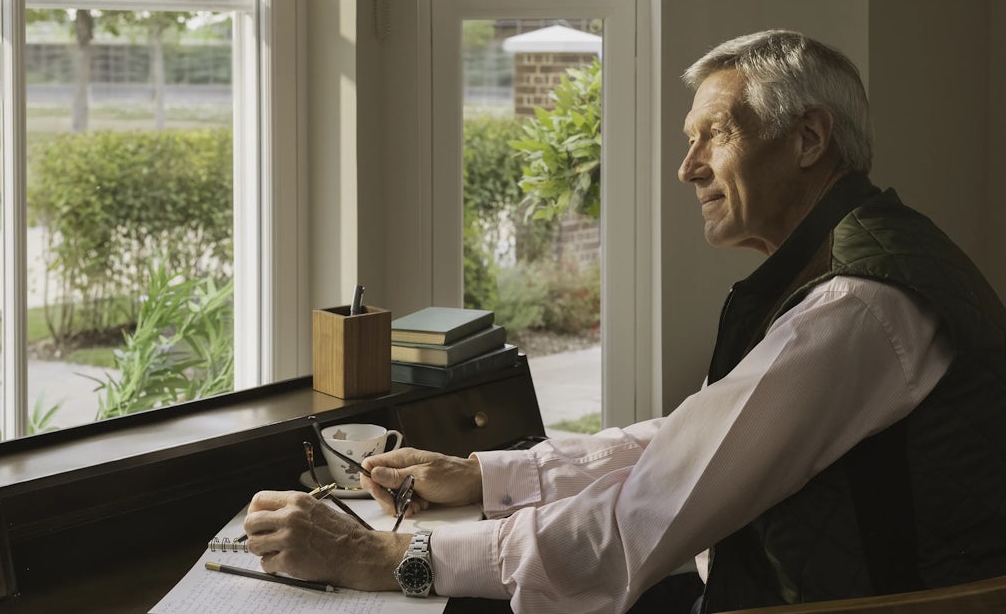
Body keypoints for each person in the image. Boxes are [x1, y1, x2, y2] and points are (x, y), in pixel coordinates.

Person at [242, 30, 1006, 613]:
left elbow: (637, 523)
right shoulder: (851, 261)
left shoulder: (857, 306)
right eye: (689, 141)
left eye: (716, 133)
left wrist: (385, 555)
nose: (688, 166)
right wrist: (483, 474)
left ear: (808, 139)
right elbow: (691, 441)